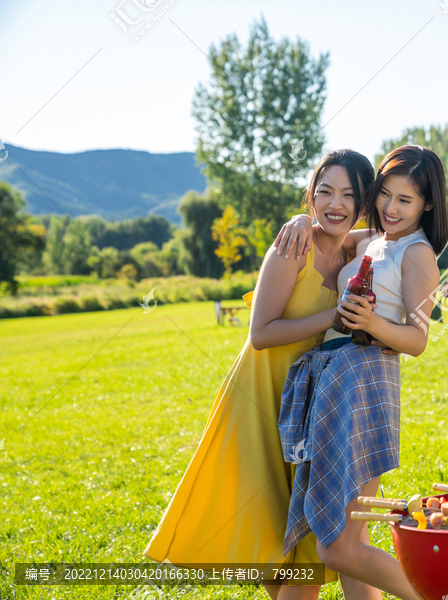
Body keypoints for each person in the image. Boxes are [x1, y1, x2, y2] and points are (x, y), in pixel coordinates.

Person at [144, 149, 382, 600]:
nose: (335, 203)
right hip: (261, 400)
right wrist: (334, 316)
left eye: (349, 195)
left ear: (363, 202)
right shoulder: (292, 247)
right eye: (325, 191)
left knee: (302, 540)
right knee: (276, 539)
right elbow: (260, 333)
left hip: (310, 407)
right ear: (310, 194)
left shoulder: (355, 246)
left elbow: (400, 232)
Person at [273, 145, 448, 600]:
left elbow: (419, 340)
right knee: (349, 540)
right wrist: (299, 220)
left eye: (405, 201)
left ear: (427, 204)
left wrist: (371, 324)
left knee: (337, 548)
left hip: (366, 378)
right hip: (336, 379)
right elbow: (331, 233)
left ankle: (438, 595)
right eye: (385, 195)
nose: (391, 208)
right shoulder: (375, 240)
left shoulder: (418, 254)